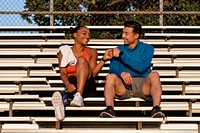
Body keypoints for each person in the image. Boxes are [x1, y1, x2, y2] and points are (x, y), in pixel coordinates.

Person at [99, 20, 165, 118]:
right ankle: (109, 109)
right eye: (123, 33)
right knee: (110, 77)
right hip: (123, 86)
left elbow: (141, 67)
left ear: (136, 35)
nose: (123, 36)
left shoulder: (148, 48)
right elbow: (112, 69)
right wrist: (121, 73)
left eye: (126, 33)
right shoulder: (119, 49)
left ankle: (156, 108)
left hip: (143, 85)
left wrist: (122, 55)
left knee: (154, 74)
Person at [51, 25, 112, 121]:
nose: (87, 37)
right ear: (75, 35)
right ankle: (61, 108)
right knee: (70, 89)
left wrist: (103, 60)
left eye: (89, 35)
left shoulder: (92, 52)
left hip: (88, 84)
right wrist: (68, 84)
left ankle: (76, 96)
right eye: (84, 33)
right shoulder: (64, 51)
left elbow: (93, 74)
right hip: (72, 83)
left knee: (81, 61)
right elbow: (63, 72)